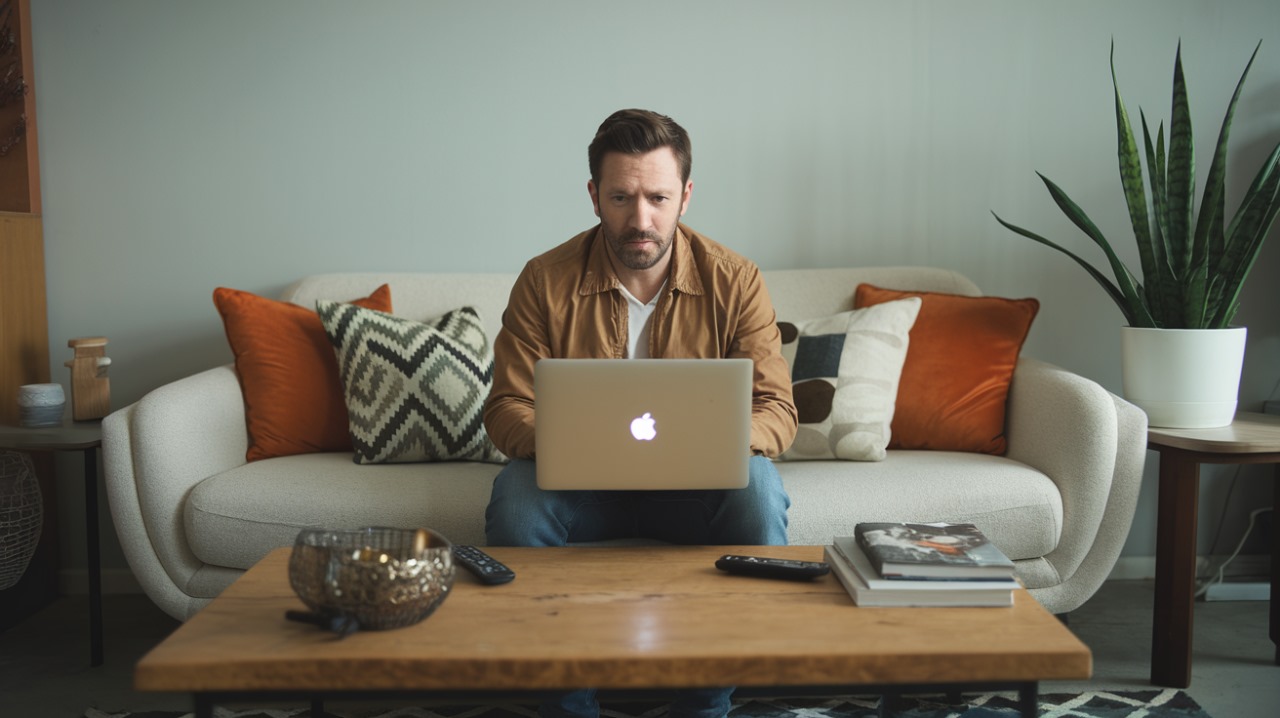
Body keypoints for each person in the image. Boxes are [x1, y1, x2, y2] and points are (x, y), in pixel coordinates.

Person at [482, 108, 798, 718]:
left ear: (685, 194)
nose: (641, 219)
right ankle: (566, 707)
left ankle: (704, 704)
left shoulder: (736, 279)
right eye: (622, 197)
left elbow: (777, 407)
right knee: (516, 500)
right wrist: (570, 443)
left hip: (695, 488)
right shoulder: (543, 281)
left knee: (758, 491)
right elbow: (506, 407)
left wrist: (720, 443)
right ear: (595, 195)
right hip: (581, 487)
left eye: (657, 196)